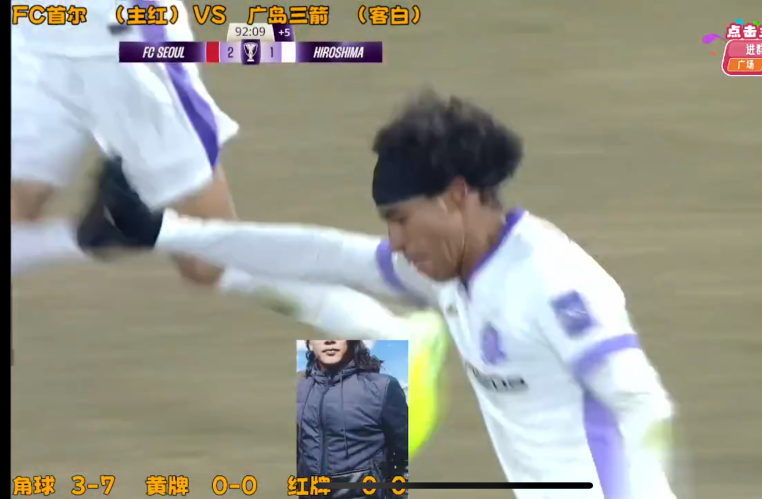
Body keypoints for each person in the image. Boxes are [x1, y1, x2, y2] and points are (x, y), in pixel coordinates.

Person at [80, 89, 679, 498]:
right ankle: (399, 343)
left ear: (456, 196)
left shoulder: (552, 281)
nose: (394, 242)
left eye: (401, 220)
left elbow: (643, 403)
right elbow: (322, 256)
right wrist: (164, 232)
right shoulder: (453, 269)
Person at [10, 2, 448, 366]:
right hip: (30, 31)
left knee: (208, 260)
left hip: (119, 42)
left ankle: (392, 334)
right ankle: (117, 233)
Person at [297, 340, 409, 498]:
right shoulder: (299, 389)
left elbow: (407, 455)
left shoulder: (382, 387)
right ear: (309, 343)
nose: (329, 340)